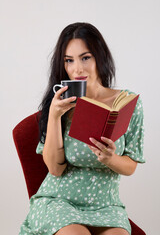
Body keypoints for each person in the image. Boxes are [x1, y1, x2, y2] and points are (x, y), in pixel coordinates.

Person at [19, 22, 145, 235]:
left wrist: (110, 159)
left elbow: (131, 165)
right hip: (59, 201)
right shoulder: (61, 103)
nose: (77, 68)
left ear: (100, 56)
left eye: (85, 57)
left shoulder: (126, 102)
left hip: (107, 205)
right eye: (69, 60)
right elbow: (55, 169)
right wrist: (54, 116)